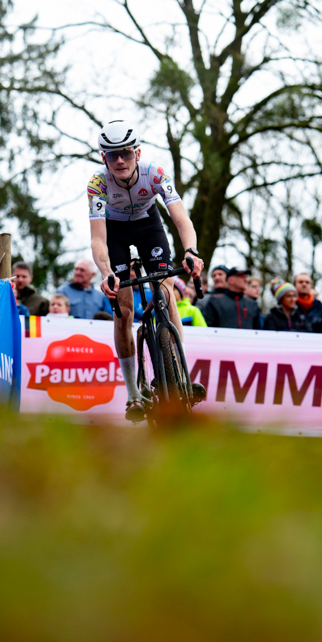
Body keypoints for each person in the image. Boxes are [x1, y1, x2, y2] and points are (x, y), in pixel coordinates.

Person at [89, 120, 204, 421]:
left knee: (165, 292)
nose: (119, 160)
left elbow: (181, 219)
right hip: (114, 233)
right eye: (112, 155)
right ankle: (133, 394)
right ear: (103, 158)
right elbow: (98, 239)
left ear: (137, 153)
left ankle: (182, 373)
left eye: (126, 153)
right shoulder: (98, 184)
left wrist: (191, 251)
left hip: (148, 226)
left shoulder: (155, 174)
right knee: (123, 310)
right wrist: (106, 272)